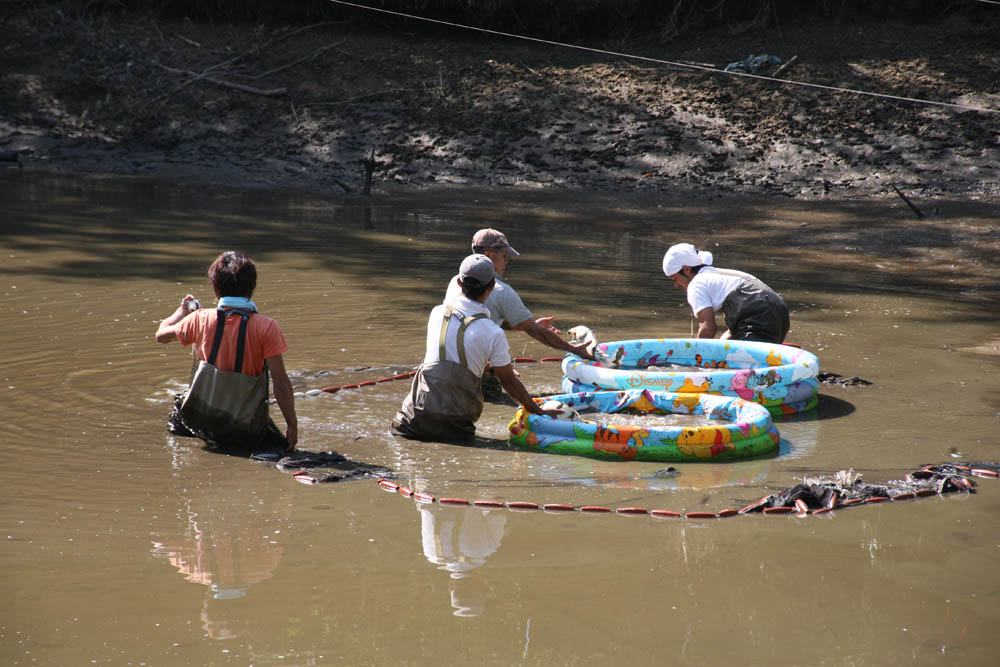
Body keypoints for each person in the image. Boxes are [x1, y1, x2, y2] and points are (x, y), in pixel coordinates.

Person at [392, 253, 555, 442]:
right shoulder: (493, 332)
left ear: (459, 283)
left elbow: (452, 357)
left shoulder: (436, 313)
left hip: (413, 421)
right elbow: (509, 382)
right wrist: (538, 411)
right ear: (492, 287)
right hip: (456, 426)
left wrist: (490, 368)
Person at [155, 250, 298, 451]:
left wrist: (181, 312)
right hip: (246, 430)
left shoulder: (199, 318)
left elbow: (160, 335)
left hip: (199, 421)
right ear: (252, 287)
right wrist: (292, 426)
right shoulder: (267, 327)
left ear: (215, 288)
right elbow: (281, 383)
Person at [444, 228, 592, 359]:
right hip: (470, 369)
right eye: (504, 256)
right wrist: (574, 349)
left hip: (447, 362)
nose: (507, 261)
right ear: (488, 255)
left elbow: (487, 320)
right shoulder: (501, 290)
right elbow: (537, 333)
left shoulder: (456, 282)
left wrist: (528, 323)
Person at [662, 243, 790, 343]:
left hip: (759, 312)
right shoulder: (719, 276)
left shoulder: (696, 284)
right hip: (779, 310)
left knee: (743, 371)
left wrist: (696, 361)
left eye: (675, 279)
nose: (676, 285)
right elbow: (735, 329)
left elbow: (707, 330)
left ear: (686, 269)